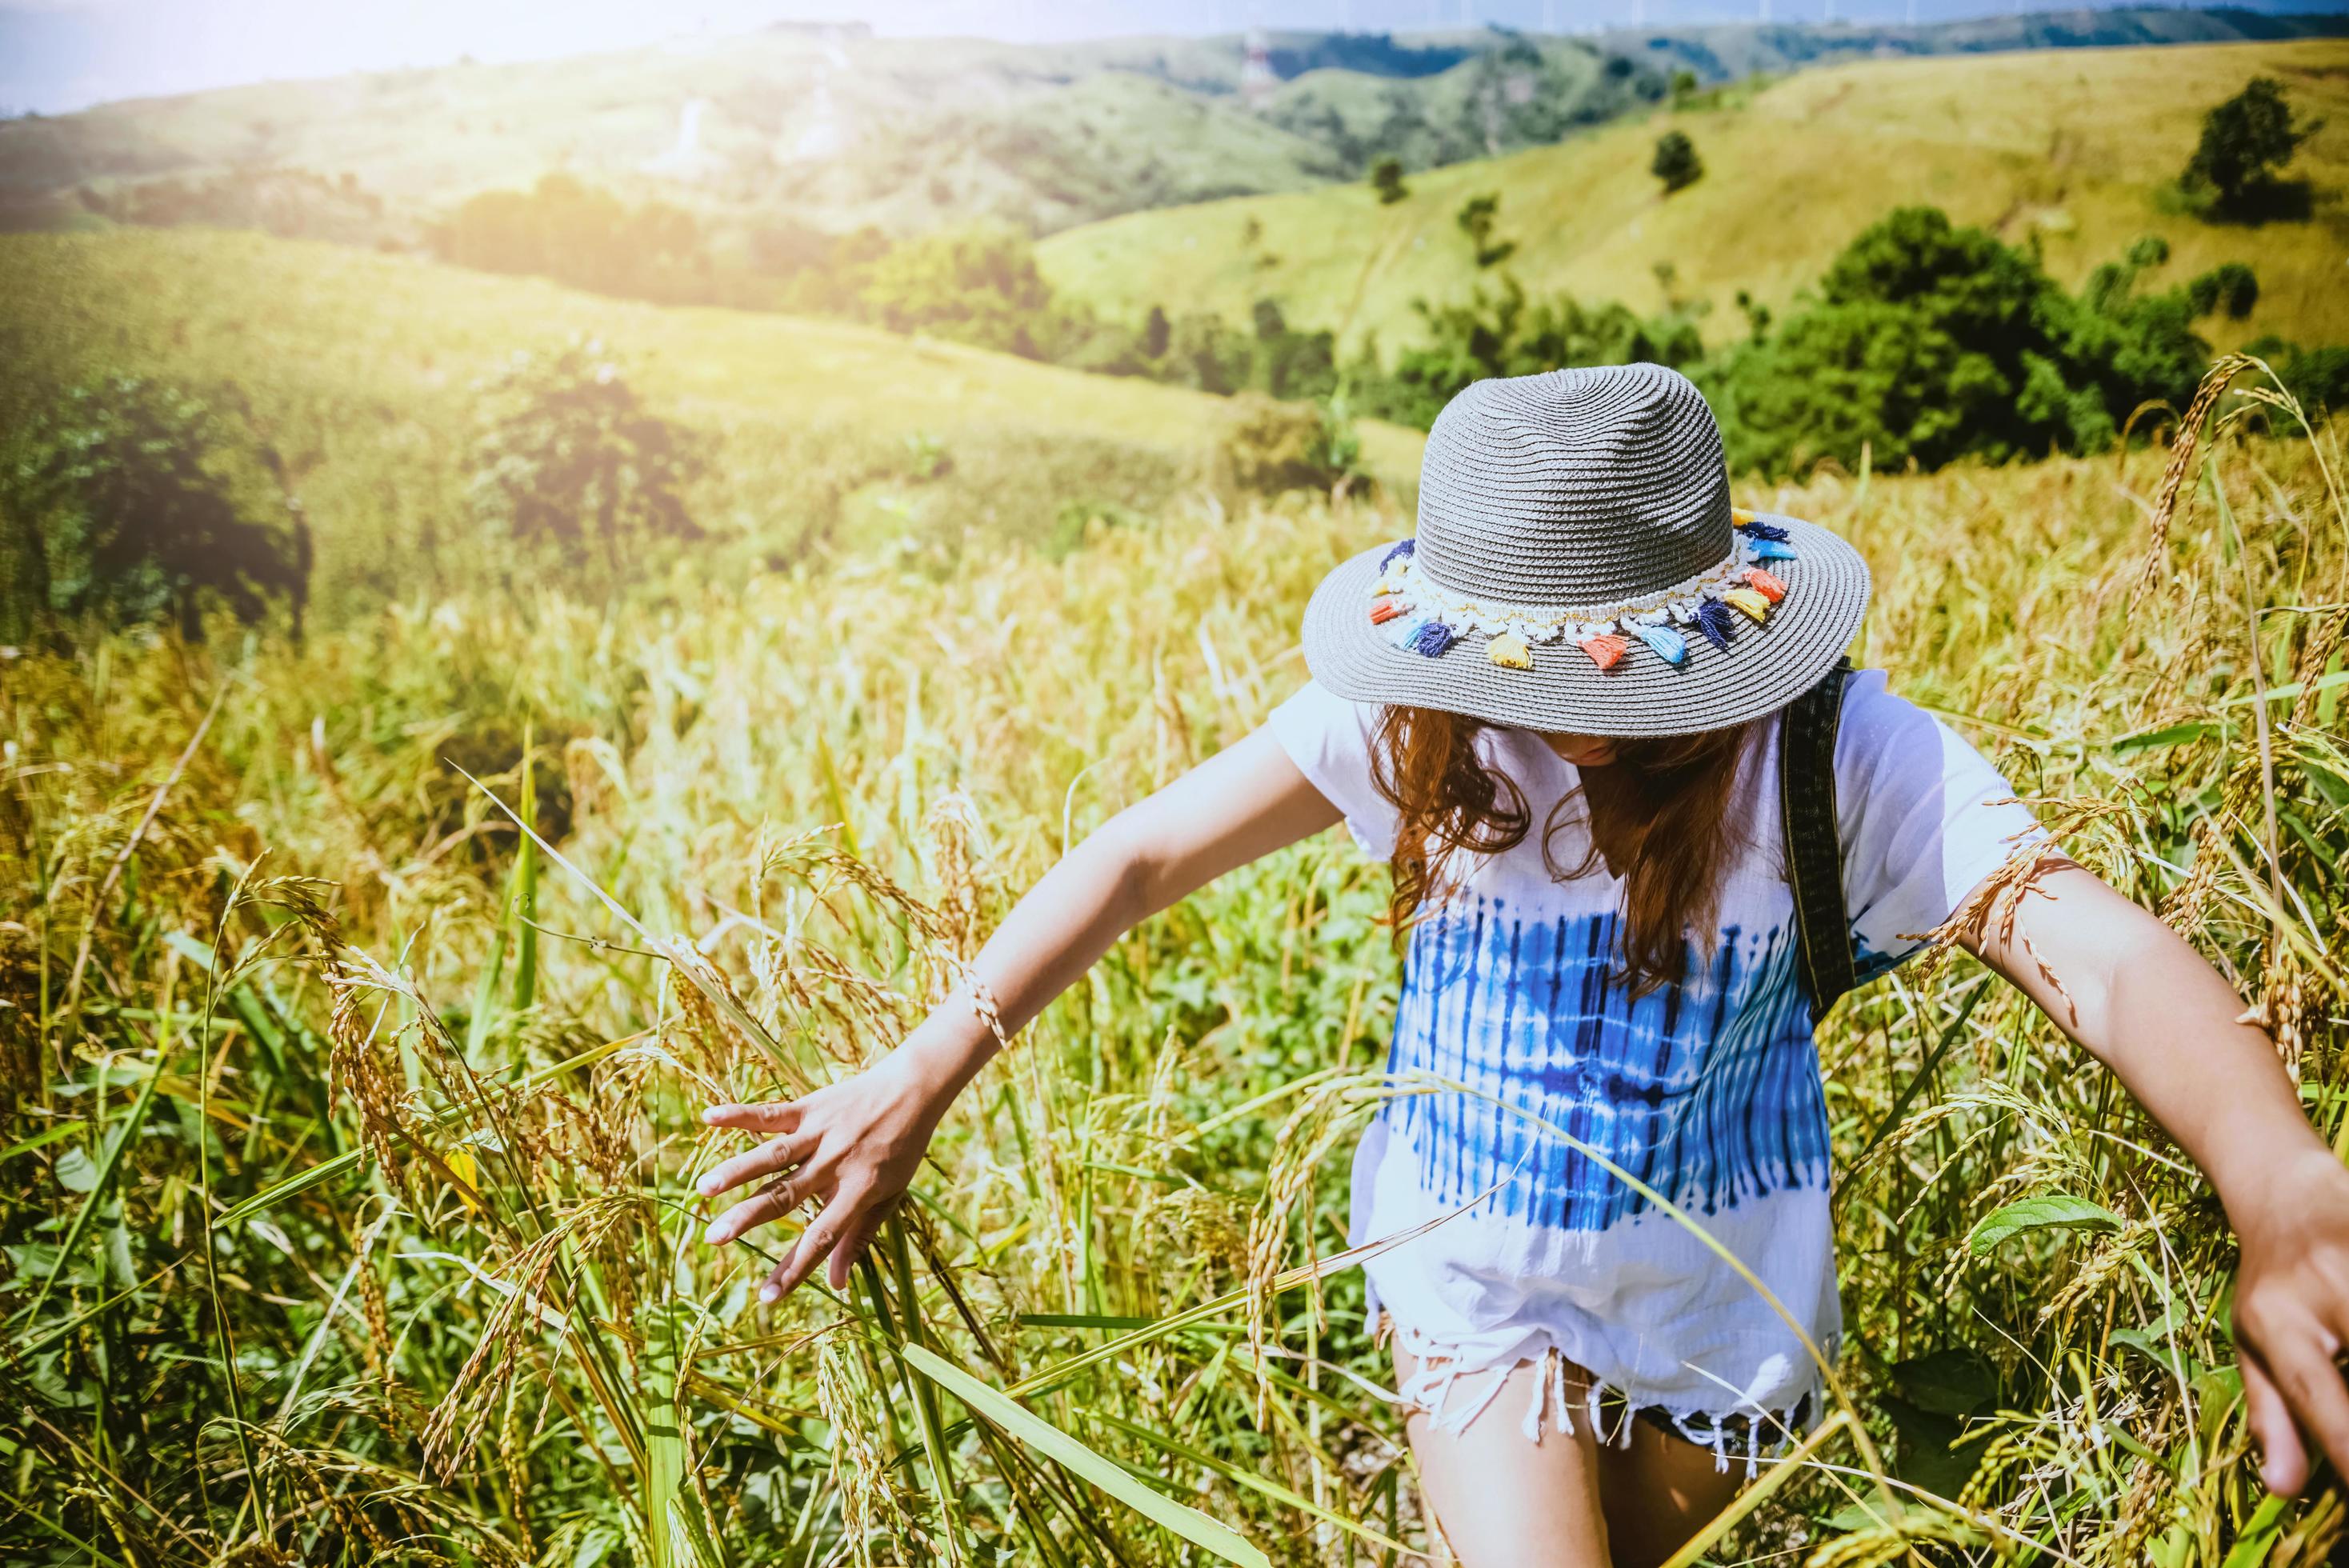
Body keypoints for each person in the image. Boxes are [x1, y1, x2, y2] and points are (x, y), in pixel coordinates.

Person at [694, 365, 2349, 1566]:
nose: (1557, 708)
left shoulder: (1836, 755)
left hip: (1733, 1320)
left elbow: (2090, 946)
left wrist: (2277, 1182)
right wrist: (923, 1066)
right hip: (1472, 1288)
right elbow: (1136, 854)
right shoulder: (1417, 714)